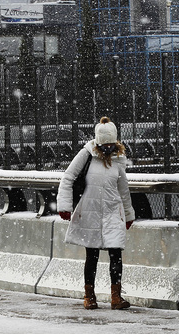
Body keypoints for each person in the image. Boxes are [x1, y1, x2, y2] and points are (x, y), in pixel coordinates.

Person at [57, 117, 135, 310]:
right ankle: (89, 296)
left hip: (112, 212)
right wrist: (64, 206)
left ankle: (116, 297)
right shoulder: (87, 154)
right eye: (105, 144)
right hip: (90, 212)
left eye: (111, 143)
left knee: (116, 253)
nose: (108, 147)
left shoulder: (118, 160)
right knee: (92, 255)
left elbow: (123, 190)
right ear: (99, 142)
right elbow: (68, 177)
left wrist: (128, 214)